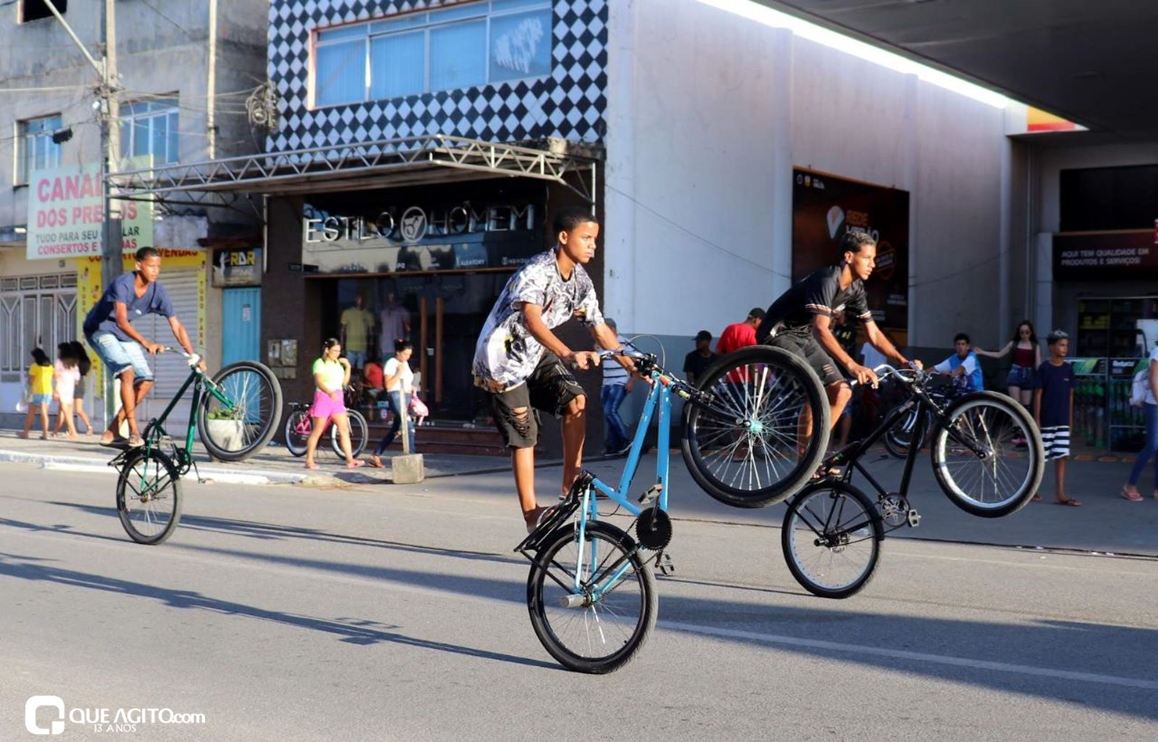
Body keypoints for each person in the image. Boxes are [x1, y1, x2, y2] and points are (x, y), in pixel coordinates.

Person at [472, 205, 630, 533]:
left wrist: (635, 367)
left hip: (535, 353)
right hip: (502, 360)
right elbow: (531, 318)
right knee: (525, 435)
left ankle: (570, 484)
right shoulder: (537, 270)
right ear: (563, 237)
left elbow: (599, 329)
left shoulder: (582, 283)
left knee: (577, 401)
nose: (592, 245)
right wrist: (569, 353)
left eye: (595, 240)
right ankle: (531, 515)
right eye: (586, 238)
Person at [757, 231, 918, 442]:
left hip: (803, 336)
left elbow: (874, 334)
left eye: (874, 259)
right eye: (867, 258)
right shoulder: (827, 278)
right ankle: (807, 464)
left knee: (842, 391)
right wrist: (852, 365)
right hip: (778, 333)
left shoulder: (856, 289)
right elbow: (821, 329)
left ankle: (815, 457)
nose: (873, 265)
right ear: (849, 257)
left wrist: (904, 362)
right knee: (814, 391)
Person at [83, 246, 203, 448]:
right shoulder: (122, 285)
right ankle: (133, 432)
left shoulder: (158, 291)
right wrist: (146, 342)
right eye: (151, 266)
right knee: (127, 372)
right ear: (139, 265)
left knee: (146, 380)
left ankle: (112, 431)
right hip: (100, 329)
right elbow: (121, 320)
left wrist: (193, 355)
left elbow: (176, 325)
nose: (156, 271)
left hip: (122, 334)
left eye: (158, 267)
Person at [304, 338, 364, 470]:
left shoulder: (338, 364)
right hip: (324, 397)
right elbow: (319, 381)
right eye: (335, 350)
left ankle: (350, 459)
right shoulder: (319, 363)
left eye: (339, 351)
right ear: (327, 350)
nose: (337, 353)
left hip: (337, 398)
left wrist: (347, 367)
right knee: (317, 431)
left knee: (344, 430)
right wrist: (329, 392)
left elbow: (344, 382)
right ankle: (309, 460)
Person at [1033, 329, 1078, 506]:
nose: (1064, 348)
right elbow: (1038, 394)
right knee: (1041, 456)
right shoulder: (1044, 368)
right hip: (1047, 419)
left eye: (1066, 345)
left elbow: (1071, 396)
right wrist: (1036, 419)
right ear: (1051, 347)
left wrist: (1070, 419)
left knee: (1062, 455)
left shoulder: (1068, 369)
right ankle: (1032, 489)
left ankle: (1060, 492)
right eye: (1061, 345)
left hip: (1062, 420)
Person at [368, 339, 417, 467]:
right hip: (396, 396)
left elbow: (406, 380)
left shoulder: (405, 364)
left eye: (409, 355)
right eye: (405, 354)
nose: (407, 357)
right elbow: (389, 385)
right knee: (409, 427)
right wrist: (399, 373)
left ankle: (376, 453)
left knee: (395, 429)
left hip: (405, 396)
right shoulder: (392, 363)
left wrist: (411, 386)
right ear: (398, 352)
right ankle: (411, 457)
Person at [1121, 340, 1158, 503]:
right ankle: (1130, 485)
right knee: (1152, 445)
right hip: (1154, 404)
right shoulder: (1157, 351)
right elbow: (1153, 378)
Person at [974, 320, 1041, 407]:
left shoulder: (1035, 346)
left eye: (1027, 332)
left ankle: (1020, 421)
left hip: (1028, 374)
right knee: (1015, 406)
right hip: (1015, 373)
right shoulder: (1014, 344)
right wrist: (982, 352)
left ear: (1031, 333)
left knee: (1025, 407)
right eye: (1022, 333)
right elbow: (999, 354)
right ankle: (1014, 421)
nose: (1024, 335)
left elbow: (1038, 364)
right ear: (1019, 333)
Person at [600, 318, 635, 456]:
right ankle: (614, 445)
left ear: (613, 330)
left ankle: (626, 441)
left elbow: (636, 363)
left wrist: (632, 380)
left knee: (611, 411)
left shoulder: (624, 342)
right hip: (606, 383)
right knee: (608, 414)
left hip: (620, 381)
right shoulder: (602, 343)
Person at [55, 340, 95, 436]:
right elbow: (85, 373)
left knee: (68, 410)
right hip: (80, 383)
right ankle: (88, 426)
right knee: (78, 409)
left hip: (68, 384)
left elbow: (58, 374)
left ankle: (70, 430)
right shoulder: (84, 360)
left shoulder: (71, 360)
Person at [18, 348, 53, 440]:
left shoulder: (34, 366)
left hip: (36, 392)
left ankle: (25, 433)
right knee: (44, 413)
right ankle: (45, 434)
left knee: (30, 413)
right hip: (47, 391)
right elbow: (54, 376)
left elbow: (31, 380)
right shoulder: (50, 367)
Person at [51, 342, 81, 439]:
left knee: (66, 411)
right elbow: (77, 377)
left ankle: (73, 431)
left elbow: (56, 375)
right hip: (70, 386)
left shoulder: (59, 361)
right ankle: (55, 432)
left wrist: (55, 390)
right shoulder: (74, 362)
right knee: (63, 411)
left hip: (61, 385)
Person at [339, 294, 375, 370]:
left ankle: (359, 382)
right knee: (349, 369)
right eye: (359, 299)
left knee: (361, 369)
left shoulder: (368, 315)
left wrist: (371, 347)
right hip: (350, 346)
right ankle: (349, 382)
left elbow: (371, 333)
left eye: (362, 299)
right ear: (356, 300)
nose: (360, 301)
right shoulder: (347, 313)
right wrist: (342, 345)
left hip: (362, 347)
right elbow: (342, 330)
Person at [378, 293, 411, 363]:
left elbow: (408, 328)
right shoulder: (383, 313)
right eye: (389, 298)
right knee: (387, 369)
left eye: (392, 298)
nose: (391, 300)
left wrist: (406, 341)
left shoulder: (403, 312)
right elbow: (381, 329)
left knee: (399, 368)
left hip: (399, 347)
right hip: (386, 347)